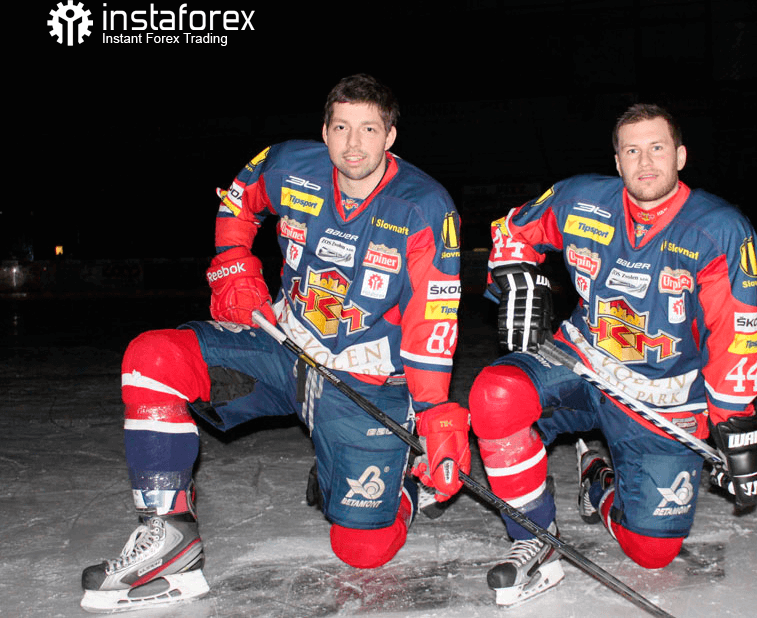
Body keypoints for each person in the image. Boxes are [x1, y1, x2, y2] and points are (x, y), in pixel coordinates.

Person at [80, 74, 470, 613]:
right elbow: (238, 199)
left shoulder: (424, 206)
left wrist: (433, 412)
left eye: (368, 129)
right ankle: (170, 540)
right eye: (341, 128)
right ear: (324, 131)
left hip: (365, 380)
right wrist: (233, 262)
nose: (353, 144)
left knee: (363, 551)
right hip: (282, 348)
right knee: (153, 357)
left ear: (390, 136)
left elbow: (432, 318)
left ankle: (396, 483)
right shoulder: (288, 164)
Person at [469, 103, 757, 606]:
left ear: (681, 156)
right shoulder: (581, 201)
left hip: (664, 396)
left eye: (657, 148)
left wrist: (733, 422)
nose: (645, 162)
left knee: (652, 552)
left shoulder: (720, 230)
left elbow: (733, 334)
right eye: (632, 151)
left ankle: (597, 479)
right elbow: (513, 230)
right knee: (496, 395)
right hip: (582, 363)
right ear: (617, 161)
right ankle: (535, 537)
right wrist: (515, 274)